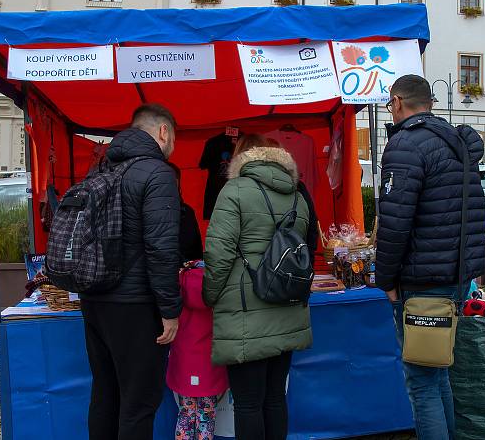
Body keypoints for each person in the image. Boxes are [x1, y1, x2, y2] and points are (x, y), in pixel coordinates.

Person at [375, 74, 485, 440]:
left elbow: (394, 224)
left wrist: (386, 281)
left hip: (423, 279)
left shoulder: (406, 144)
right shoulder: (454, 140)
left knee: (422, 382)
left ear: (397, 102)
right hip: (454, 274)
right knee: (437, 373)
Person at [80, 103, 182, 440]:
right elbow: (161, 248)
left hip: (94, 300)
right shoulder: (158, 173)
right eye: (174, 138)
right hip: (135, 306)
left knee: (105, 394)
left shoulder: (100, 170)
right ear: (163, 132)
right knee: (138, 404)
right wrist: (169, 310)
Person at [203, 133, 312, 440]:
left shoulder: (234, 191)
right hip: (287, 305)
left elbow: (217, 253)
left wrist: (210, 296)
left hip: (245, 309)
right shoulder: (297, 195)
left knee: (248, 404)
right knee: (276, 397)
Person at [166, 260, 228, 440]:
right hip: (210, 359)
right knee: (206, 415)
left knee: (185, 412)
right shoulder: (218, 285)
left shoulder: (178, 282)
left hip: (184, 358)